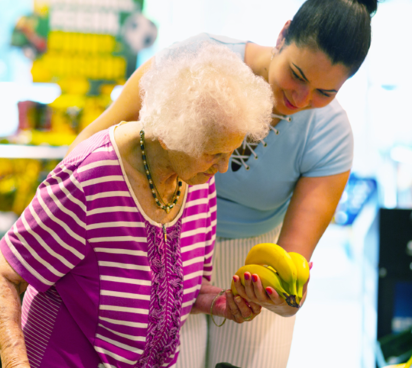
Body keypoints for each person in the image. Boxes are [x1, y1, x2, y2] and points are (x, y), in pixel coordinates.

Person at [65, 0, 379, 367]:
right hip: (157, 242)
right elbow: (87, 152)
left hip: (252, 255)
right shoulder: (196, 61)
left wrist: (282, 296)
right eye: (297, 74)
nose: (301, 99)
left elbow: (293, 257)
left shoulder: (332, 136)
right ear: (283, 34)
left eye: (325, 93)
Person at [0, 43, 274, 368]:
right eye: (213, 154)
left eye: (230, 152)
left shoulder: (196, 181)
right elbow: (3, 273)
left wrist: (220, 303)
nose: (223, 168)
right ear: (169, 134)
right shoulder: (90, 179)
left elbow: (177, 290)